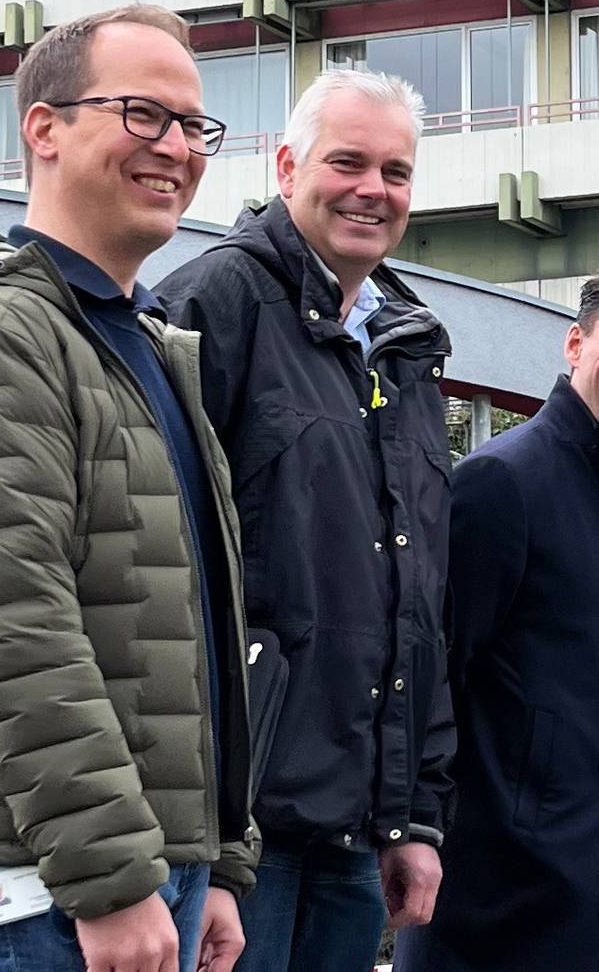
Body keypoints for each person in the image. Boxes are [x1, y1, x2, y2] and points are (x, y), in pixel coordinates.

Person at [0, 3, 254, 972]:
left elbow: (187, 624)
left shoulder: (147, 349)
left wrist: (220, 862)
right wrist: (111, 875)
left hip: (142, 864)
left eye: (194, 125)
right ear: (45, 127)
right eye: (144, 114)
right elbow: (9, 624)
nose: (178, 146)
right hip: (45, 877)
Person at [160, 69, 453, 972]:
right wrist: (201, 835)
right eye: (348, 162)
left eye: (395, 172)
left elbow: (417, 608)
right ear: (287, 166)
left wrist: (412, 815)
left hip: (355, 833)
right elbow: (161, 570)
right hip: (240, 834)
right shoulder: (211, 305)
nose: (373, 190)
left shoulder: (406, 351)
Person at [395, 266, 599, 972]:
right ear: (574, 345)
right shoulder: (503, 482)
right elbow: (432, 679)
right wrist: (415, 833)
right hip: (496, 910)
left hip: (591, 898)